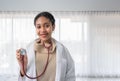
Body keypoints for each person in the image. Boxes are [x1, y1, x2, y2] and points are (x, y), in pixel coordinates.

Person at [16, 11, 75, 81]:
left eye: (47, 26)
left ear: (53, 27)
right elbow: (22, 77)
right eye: (39, 27)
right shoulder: (28, 49)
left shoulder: (62, 50)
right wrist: (23, 67)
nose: (42, 30)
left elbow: (70, 76)